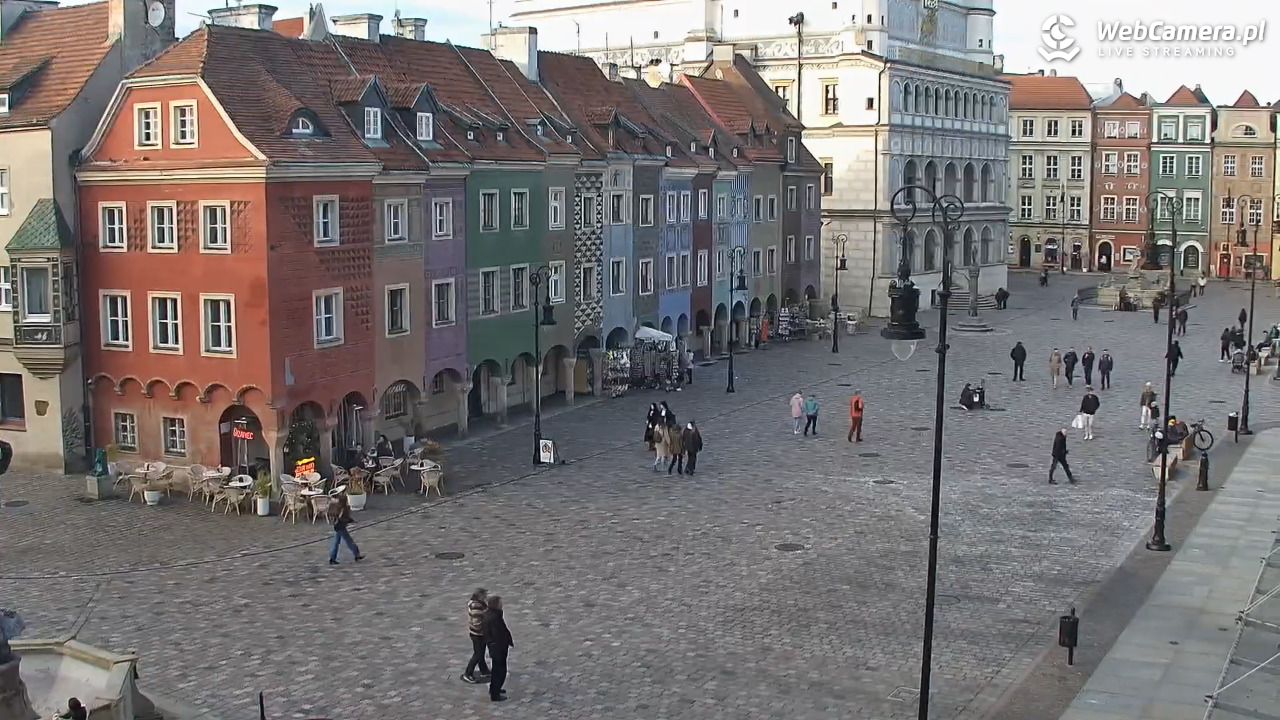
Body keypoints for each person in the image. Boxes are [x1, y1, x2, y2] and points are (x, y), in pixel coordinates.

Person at [483, 595, 514, 702]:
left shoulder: (493, 614)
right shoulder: (494, 618)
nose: (502, 604)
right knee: (499, 671)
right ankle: (495, 694)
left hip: (495, 647)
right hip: (498, 648)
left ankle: (495, 689)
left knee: (497, 670)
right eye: (500, 603)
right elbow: (498, 634)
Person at [461, 589, 491, 684]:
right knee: (478, 654)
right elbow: (477, 623)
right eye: (484, 595)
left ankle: (484, 670)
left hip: (479, 634)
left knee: (481, 653)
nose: (486, 597)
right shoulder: (476, 606)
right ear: (479, 596)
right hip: (478, 634)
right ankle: (468, 673)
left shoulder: (480, 604)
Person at [328, 494, 364, 565]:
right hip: (341, 527)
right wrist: (351, 521)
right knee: (349, 541)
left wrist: (350, 520)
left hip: (337, 526)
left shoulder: (338, 507)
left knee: (336, 542)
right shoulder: (344, 508)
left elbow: (342, 517)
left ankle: (332, 558)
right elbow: (344, 518)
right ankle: (356, 555)